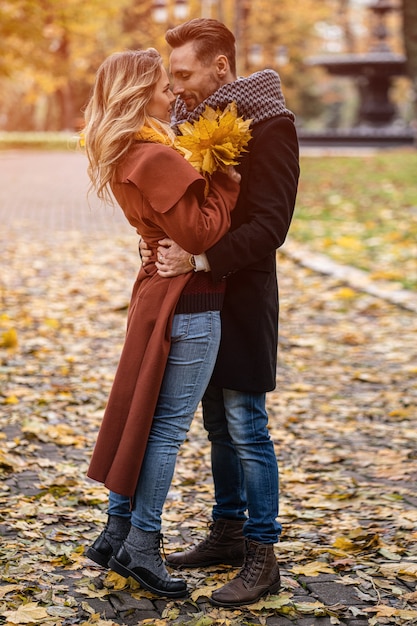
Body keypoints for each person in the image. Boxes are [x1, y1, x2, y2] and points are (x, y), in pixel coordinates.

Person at [140, 19, 300, 607]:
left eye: (184, 74)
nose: (176, 87)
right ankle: (228, 531)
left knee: (246, 425)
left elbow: (271, 225)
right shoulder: (187, 125)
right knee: (215, 423)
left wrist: (202, 257)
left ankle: (263, 554)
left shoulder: (272, 127)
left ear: (221, 67)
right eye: (172, 76)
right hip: (200, 299)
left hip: (243, 294)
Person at [83, 48, 240, 599]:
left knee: (141, 417)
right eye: (162, 83)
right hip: (189, 301)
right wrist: (222, 180)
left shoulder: (124, 151)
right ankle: (142, 548)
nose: (172, 91)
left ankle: (118, 529)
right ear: (139, 91)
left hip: (155, 294)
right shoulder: (158, 157)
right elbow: (198, 235)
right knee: (167, 428)